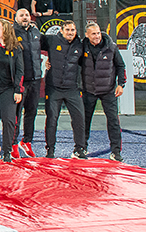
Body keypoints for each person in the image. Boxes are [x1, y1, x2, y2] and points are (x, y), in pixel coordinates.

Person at [40, 20, 87, 159]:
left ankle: (79, 149)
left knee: (79, 119)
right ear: (61, 30)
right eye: (67, 30)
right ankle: (50, 150)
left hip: (72, 88)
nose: (70, 33)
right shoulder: (51, 40)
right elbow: (33, 41)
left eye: (72, 30)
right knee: (52, 119)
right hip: (54, 88)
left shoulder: (81, 44)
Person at [81, 22, 126, 162]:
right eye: (93, 34)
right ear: (87, 35)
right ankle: (81, 148)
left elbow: (120, 65)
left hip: (108, 90)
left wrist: (121, 84)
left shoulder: (111, 47)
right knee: (84, 121)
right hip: (88, 90)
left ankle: (116, 151)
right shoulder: (81, 46)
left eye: (98, 33)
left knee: (113, 121)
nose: (97, 36)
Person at [0, 20, 25, 162]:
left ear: (5, 30)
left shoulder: (16, 48)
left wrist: (18, 90)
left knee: (8, 120)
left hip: (8, 88)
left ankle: (7, 151)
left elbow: (20, 70)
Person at [12, 8, 43, 158]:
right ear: (16, 18)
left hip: (36, 79)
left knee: (32, 111)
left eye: (26, 15)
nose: (25, 17)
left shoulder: (36, 32)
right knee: (16, 114)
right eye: (21, 15)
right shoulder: (11, 32)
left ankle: (27, 141)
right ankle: (13, 143)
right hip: (20, 80)